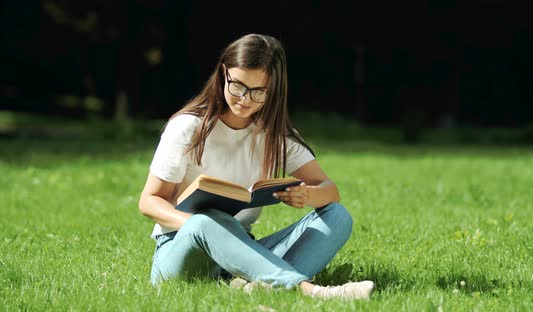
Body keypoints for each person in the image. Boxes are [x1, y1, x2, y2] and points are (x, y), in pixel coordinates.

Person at [138, 34, 374, 300]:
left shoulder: (275, 136)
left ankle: (250, 283)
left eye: (258, 91)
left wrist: (307, 195)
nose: (244, 99)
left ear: (273, 89)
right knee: (207, 221)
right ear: (223, 74)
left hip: (240, 250)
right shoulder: (188, 128)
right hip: (181, 249)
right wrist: (201, 227)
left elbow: (329, 191)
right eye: (237, 85)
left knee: (337, 217)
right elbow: (149, 201)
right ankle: (309, 290)